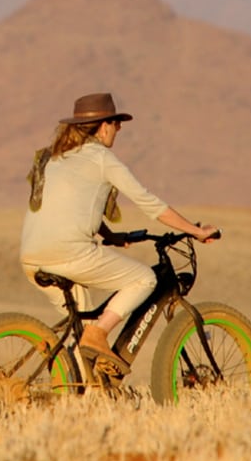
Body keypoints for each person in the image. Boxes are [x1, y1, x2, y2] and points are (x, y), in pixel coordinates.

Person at [19, 92, 218, 373]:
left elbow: (70, 207)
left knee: (84, 328)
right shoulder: (101, 158)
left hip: (32, 256)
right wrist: (194, 231)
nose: (119, 128)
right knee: (144, 280)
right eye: (116, 122)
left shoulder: (56, 158)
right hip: (69, 253)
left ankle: (86, 391)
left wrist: (111, 237)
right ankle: (97, 335)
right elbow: (149, 203)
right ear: (103, 126)